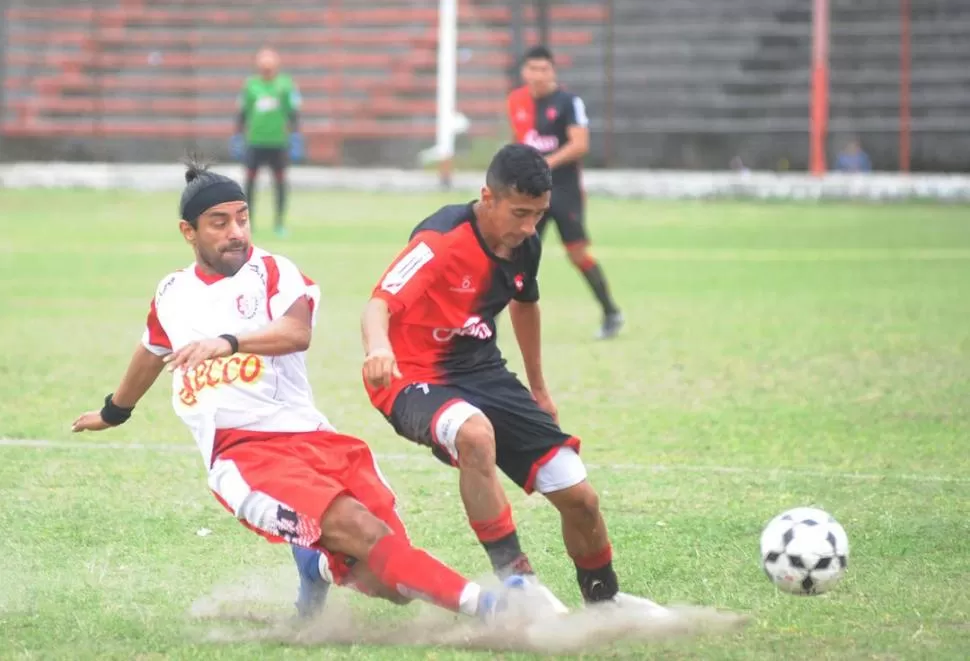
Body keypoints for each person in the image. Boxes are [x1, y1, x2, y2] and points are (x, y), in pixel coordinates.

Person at [70, 160, 540, 624]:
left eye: (242, 217)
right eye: (219, 222)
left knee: (387, 579)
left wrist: (227, 342)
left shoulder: (273, 271)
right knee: (363, 533)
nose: (236, 231)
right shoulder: (171, 291)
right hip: (244, 453)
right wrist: (115, 412)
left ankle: (312, 563)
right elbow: (153, 349)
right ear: (188, 232)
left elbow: (297, 332)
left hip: (315, 440)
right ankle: (494, 610)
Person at [360, 144, 657, 611]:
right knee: (475, 435)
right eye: (519, 213)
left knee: (580, 496)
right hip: (408, 374)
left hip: (481, 368)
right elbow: (378, 303)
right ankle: (517, 582)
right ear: (488, 197)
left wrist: (539, 388)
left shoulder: (527, 245)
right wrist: (378, 350)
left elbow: (525, 304)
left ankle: (604, 600)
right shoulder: (439, 239)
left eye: (538, 215)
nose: (528, 227)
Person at [506, 45, 623, 340]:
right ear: (524, 71)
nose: (538, 75)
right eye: (532, 69)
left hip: (564, 190)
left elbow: (580, 144)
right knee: (514, 251)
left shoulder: (569, 102)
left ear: (553, 71)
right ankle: (486, 318)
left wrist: (545, 163)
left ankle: (611, 312)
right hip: (530, 193)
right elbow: (519, 143)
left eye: (544, 69)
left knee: (577, 253)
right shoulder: (517, 101)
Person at [230, 47, 304, 237]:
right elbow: (242, 112)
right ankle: (248, 221)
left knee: (279, 183)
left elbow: (293, 112)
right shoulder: (251, 85)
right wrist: (237, 135)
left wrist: (295, 135)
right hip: (255, 142)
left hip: (278, 142)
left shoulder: (285, 85)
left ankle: (279, 223)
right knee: (250, 184)